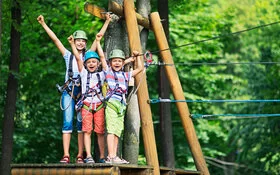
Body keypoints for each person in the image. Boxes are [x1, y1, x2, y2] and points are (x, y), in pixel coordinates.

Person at [37, 13, 111, 163]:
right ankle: (66, 155)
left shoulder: (89, 57)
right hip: (69, 92)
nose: (80, 43)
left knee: (81, 125)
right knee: (67, 122)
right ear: (74, 41)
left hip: (84, 94)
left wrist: (107, 21)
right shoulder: (68, 55)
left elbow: (99, 38)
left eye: (83, 41)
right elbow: (56, 40)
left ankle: (80, 155)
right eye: (78, 40)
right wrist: (43, 24)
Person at [100, 49, 144, 164]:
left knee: (117, 131)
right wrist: (98, 42)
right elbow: (101, 57)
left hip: (121, 105)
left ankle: (115, 156)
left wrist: (138, 56)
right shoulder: (108, 72)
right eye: (114, 61)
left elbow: (140, 69)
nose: (117, 63)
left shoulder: (125, 75)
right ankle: (110, 156)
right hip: (111, 103)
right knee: (111, 129)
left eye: (120, 61)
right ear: (110, 63)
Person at [68, 33, 106, 163]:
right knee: (87, 130)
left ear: (98, 63)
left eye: (94, 62)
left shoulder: (102, 74)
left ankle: (102, 156)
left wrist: (98, 42)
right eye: (89, 62)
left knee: (100, 131)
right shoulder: (83, 73)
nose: (91, 64)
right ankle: (88, 155)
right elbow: (79, 59)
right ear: (85, 64)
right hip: (86, 105)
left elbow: (102, 57)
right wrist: (72, 44)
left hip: (99, 104)